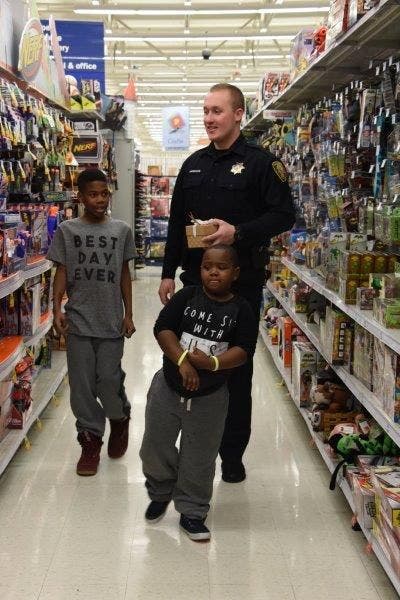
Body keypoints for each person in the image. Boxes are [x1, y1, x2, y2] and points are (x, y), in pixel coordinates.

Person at [159, 83, 296, 483]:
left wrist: (239, 232)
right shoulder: (194, 164)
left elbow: (284, 215)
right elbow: (174, 224)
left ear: (238, 114)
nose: (208, 118)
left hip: (242, 288)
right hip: (194, 284)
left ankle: (232, 453)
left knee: (236, 370)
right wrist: (168, 272)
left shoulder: (260, 163)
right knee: (189, 360)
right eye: (205, 111)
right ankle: (193, 447)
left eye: (217, 111)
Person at [140, 245, 258, 541]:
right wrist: (182, 361)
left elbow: (244, 350)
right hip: (168, 387)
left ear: (236, 273)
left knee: (200, 456)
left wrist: (213, 363)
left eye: (222, 267)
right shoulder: (187, 296)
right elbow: (163, 327)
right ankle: (161, 490)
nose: (213, 272)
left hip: (210, 398)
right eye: (207, 267)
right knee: (154, 446)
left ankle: (192, 511)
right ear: (200, 270)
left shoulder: (242, 309)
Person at [47, 168, 136, 476]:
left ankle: (119, 417)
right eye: (93, 195)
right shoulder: (67, 231)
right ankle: (90, 440)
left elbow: (124, 274)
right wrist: (56, 308)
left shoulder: (122, 230)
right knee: (82, 387)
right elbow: (61, 271)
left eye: (104, 194)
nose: (99, 200)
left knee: (108, 381)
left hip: (111, 321)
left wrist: (129, 313)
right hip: (79, 322)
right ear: (81, 197)